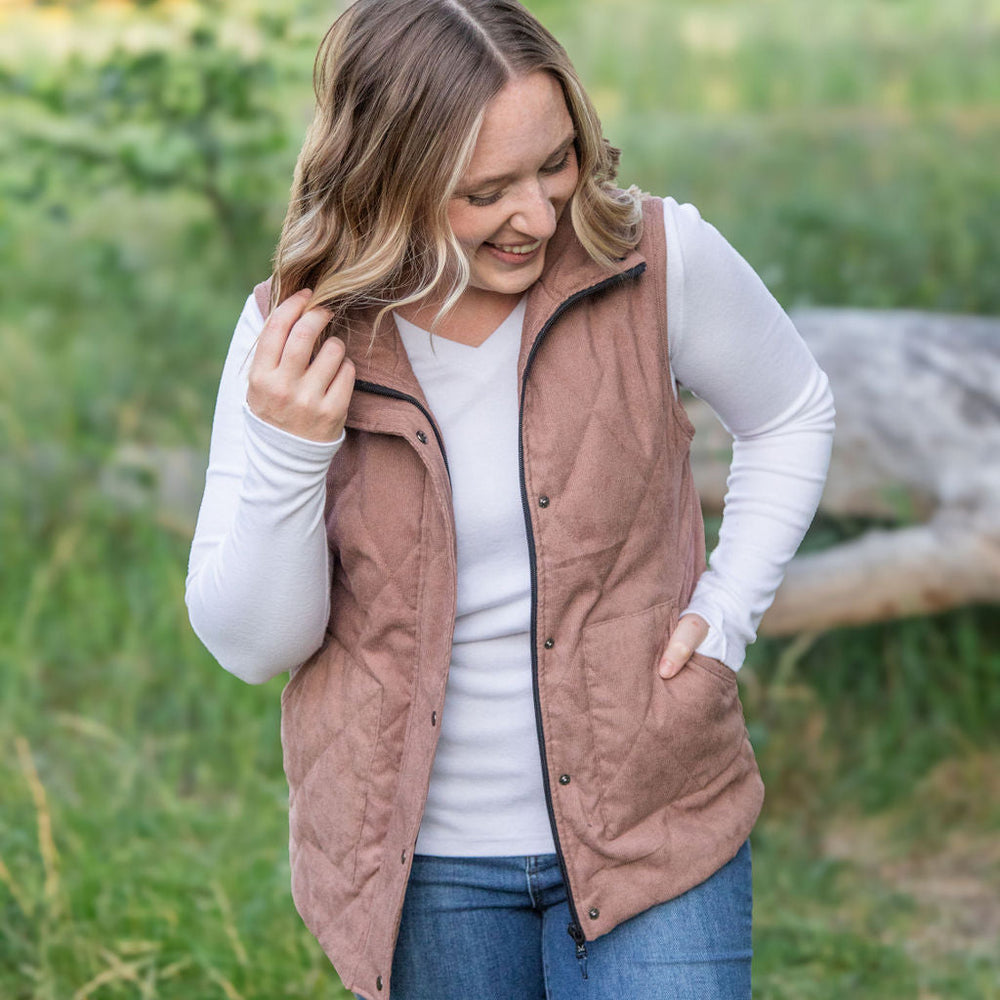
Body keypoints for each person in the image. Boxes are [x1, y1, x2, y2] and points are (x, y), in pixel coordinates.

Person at [186, 1, 835, 997]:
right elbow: (254, 645)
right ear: (387, 176)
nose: (537, 215)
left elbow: (791, 410)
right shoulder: (295, 332)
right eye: (486, 190)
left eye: (555, 162)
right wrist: (287, 449)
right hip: (422, 869)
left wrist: (725, 613)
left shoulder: (657, 259)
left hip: (653, 824)